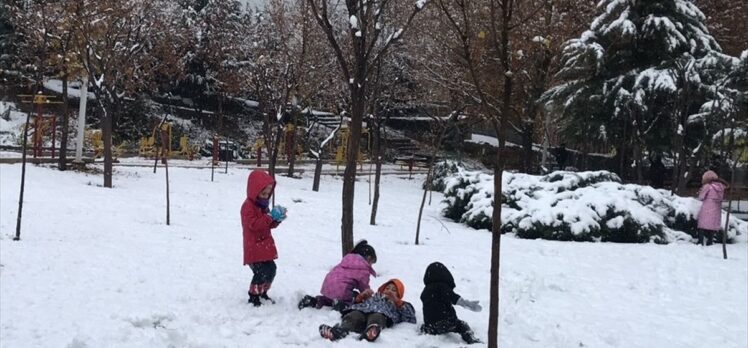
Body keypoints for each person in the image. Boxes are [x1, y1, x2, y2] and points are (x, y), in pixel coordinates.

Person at [241, 169, 287, 306]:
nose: (265, 197)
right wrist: (269, 217)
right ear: (254, 191)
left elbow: (267, 225)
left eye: (268, 194)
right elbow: (253, 225)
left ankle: (263, 292)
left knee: (271, 270)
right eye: (263, 193)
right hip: (254, 247)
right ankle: (254, 295)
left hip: (264, 246)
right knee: (261, 271)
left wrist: (276, 220)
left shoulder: (263, 206)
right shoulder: (247, 207)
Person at [318, 279, 417, 342]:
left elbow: (410, 317)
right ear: (382, 290)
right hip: (362, 311)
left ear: (399, 295)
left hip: (380, 314)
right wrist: (360, 297)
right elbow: (351, 303)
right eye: (387, 288)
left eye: (394, 290)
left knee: (377, 317)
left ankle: (372, 330)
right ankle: (339, 331)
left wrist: (397, 301)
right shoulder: (373, 297)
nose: (390, 291)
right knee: (354, 315)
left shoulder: (398, 304)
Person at [298, 240, 377, 311]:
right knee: (352, 300)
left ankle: (314, 301)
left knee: (329, 299)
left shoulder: (347, 260)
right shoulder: (363, 269)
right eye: (371, 263)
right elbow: (364, 288)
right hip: (342, 291)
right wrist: (369, 296)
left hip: (328, 287)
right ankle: (341, 306)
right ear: (369, 258)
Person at [420, 262, 482, 344]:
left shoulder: (425, 291)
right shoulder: (442, 287)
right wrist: (465, 303)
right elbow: (453, 297)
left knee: (425, 326)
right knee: (462, 325)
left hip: (431, 325)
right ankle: (470, 338)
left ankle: (426, 331)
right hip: (447, 322)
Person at [696, 170, 728, 246]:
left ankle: (700, 241)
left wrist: (700, 192)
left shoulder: (708, 186)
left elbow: (701, 197)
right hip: (716, 207)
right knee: (712, 224)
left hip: (707, 206)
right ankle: (710, 241)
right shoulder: (721, 187)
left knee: (702, 224)